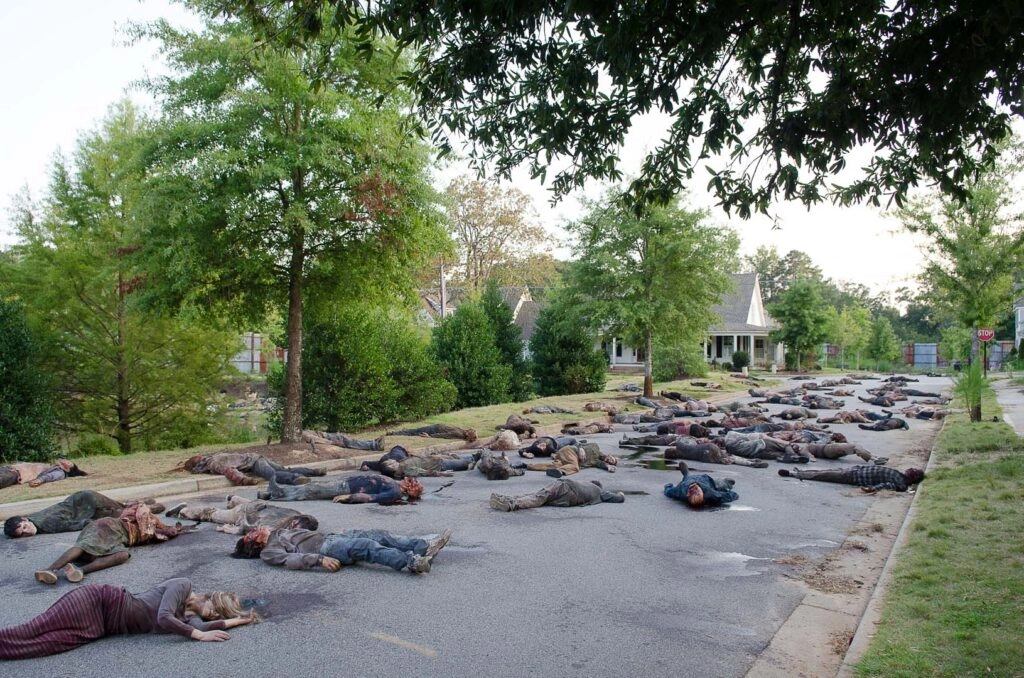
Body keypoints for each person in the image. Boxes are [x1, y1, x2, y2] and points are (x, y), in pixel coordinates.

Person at [0, 577, 258, 659]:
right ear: (210, 597)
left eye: (219, 614)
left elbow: (206, 626)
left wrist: (240, 620)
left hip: (102, 627)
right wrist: (199, 635)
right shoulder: (182, 586)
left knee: (45, 646)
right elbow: (163, 618)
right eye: (217, 608)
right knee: (32, 629)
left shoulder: (189, 618)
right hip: (97, 601)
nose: (215, 614)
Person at [33, 503, 192, 585]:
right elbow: (140, 514)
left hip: (119, 539)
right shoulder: (146, 514)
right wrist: (159, 529)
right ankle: (50, 570)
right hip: (110, 526)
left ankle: (79, 571)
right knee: (86, 544)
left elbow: (156, 534)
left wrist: (172, 531)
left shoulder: (159, 531)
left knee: (123, 555)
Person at [232, 525, 451, 574]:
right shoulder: (268, 551)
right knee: (367, 547)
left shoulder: (278, 531)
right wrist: (319, 560)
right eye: (250, 534)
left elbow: (308, 521)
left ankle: (422, 546)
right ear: (253, 543)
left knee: (376, 534)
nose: (254, 529)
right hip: (325, 548)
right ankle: (410, 562)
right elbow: (289, 560)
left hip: (332, 538)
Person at [4, 491, 165, 539]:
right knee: (117, 509)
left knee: (121, 513)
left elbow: (76, 525)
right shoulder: (34, 519)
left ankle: (151, 507)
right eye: (23, 533)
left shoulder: (46, 524)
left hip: (85, 502)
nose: (27, 531)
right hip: (80, 502)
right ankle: (146, 502)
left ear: (25, 519)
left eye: (25, 526)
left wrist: (100, 525)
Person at [164, 495, 318, 534]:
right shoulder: (274, 527)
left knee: (243, 502)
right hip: (243, 513)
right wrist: (230, 529)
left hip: (256, 504)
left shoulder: (298, 514)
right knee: (212, 514)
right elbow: (247, 527)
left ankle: (233, 499)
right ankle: (183, 511)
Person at [257, 473, 421, 505]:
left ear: (409, 489)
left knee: (310, 489)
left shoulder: (395, 491)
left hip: (346, 487)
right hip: (347, 482)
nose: (408, 479)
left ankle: (275, 494)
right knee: (312, 488)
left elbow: (372, 498)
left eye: (411, 481)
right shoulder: (395, 484)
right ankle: (271, 494)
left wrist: (348, 497)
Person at [182, 452, 325, 486]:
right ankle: (315, 471)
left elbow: (230, 471)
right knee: (284, 468)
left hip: (254, 463)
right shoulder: (216, 456)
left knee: (273, 475)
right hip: (256, 457)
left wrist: (246, 480)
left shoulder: (212, 463)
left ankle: (296, 479)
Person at [489, 478, 625, 511]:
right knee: (540, 498)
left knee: (539, 495)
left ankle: (511, 503)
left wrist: (621, 494)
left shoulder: (598, 489)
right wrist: (620, 495)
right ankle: (509, 501)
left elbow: (619, 497)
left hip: (567, 487)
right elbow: (617, 498)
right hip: (568, 501)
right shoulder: (599, 496)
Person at [778, 465, 925, 492]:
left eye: (911, 471)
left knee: (824, 475)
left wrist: (871, 489)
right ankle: (800, 471)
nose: (908, 470)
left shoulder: (900, 484)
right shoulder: (899, 476)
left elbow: (886, 486)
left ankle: (794, 474)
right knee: (825, 472)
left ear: (912, 477)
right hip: (856, 470)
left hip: (854, 477)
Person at [360, 445, 476, 479]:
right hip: (439, 465)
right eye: (392, 465)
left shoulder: (387, 460)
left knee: (465, 459)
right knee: (465, 463)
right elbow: (422, 472)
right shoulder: (404, 467)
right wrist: (439, 474)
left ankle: (473, 457)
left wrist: (365, 466)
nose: (392, 463)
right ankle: (475, 458)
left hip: (434, 459)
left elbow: (366, 462)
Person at [663, 462, 739, 508]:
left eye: (692, 492)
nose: (693, 489)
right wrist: (733, 494)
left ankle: (686, 473)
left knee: (687, 478)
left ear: (688, 494)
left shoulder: (682, 491)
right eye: (697, 492)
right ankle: (726, 482)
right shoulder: (711, 494)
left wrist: (668, 486)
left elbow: (670, 492)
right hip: (708, 481)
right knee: (722, 485)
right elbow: (729, 496)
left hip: (688, 479)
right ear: (702, 493)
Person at [524, 443, 618, 477]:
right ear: (609, 455)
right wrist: (580, 448)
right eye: (611, 458)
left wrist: (608, 467)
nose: (609, 460)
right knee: (575, 467)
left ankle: (526, 466)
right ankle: (560, 472)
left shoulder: (596, 462)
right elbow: (578, 443)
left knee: (554, 465)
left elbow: (602, 465)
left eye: (610, 461)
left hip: (565, 459)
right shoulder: (595, 447)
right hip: (570, 451)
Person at [0, 459, 87, 490]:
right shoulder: (50, 466)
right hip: (9, 468)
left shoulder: (60, 472)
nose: (65, 460)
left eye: (68, 462)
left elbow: (50, 477)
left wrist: (39, 480)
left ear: (67, 469)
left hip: (14, 474)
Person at [797, 442, 888, 465]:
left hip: (828, 449)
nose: (794, 445)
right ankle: (874, 459)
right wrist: (811, 458)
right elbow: (809, 456)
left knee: (855, 448)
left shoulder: (806, 447)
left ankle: (874, 457)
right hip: (827, 449)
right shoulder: (803, 449)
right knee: (854, 446)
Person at [302, 430, 385, 451]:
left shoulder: (301, 430)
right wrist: (333, 443)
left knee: (353, 441)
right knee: (351, 443)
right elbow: (315, 439)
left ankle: (373, 442)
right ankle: (375, 445)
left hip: (330, 435)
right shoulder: (303, 434)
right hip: (330, 438)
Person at [385, 423, 477, 442]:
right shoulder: (462, 431)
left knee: (413, 432)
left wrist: (430, 436)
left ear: (469, 435)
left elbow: (445, 435)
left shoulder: (459, 434)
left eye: (472, 431)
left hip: (434, 430)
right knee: (414, 431)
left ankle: (393, 433)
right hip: (436, 427)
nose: (471, 429)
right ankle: (400, 431)